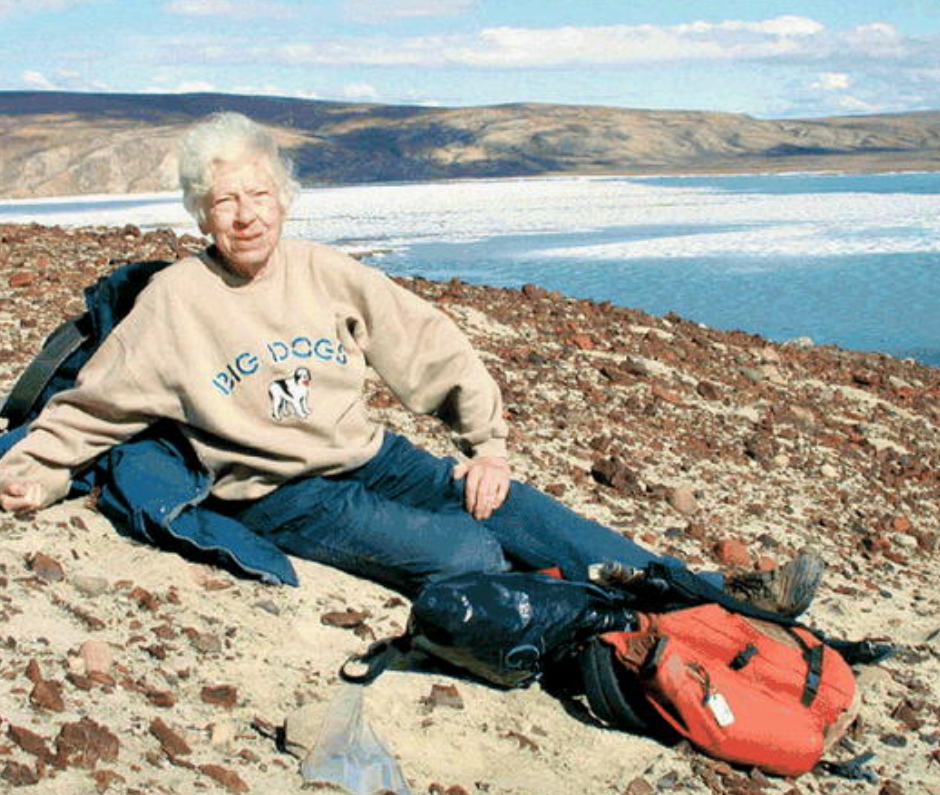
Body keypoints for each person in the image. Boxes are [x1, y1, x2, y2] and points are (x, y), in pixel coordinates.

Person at [0, 112, 822, 613]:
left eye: (258, 194)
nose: (245, 215)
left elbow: (430, 345)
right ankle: (612, 613)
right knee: (466, 554)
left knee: (512, 506)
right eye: (224, 201)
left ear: (283, 199)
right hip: (282, 495)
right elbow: (98, 404)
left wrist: (487, 445)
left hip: (373, 458)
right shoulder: (177, 300)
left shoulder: (327, 271)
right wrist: (34, 469)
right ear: (201, 215)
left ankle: (701, 590)